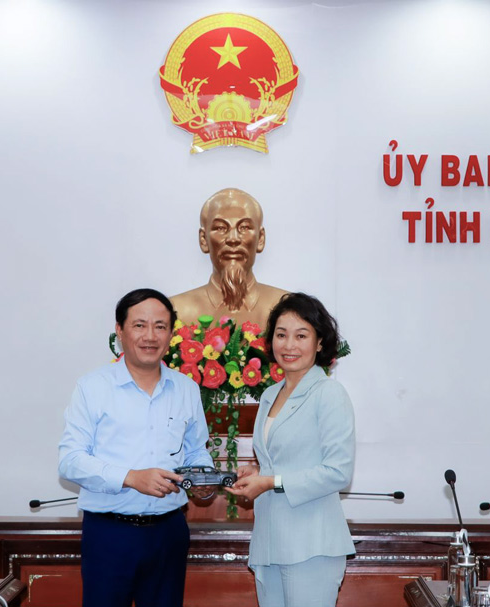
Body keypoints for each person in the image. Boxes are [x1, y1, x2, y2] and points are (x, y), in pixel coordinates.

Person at [58, 288, 214, 607]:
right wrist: (131, 477)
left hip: (169, 531)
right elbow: (70, 462)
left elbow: (197, 451)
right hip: (110, 533)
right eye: (139, 325)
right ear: (120, 330)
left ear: (171, 333)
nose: (150, 335)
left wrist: (204, 480)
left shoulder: (186, 389)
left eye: (160, 326)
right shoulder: (92, 387)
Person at [225, 292, 355, 607]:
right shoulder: (270, 394)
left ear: (320, 342)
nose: (289, 345)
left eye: (301, 335)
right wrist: (257, 473)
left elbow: (338, 472)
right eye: (281, 335)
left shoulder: (329, 393)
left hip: (312, 545)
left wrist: (270, 481)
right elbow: (282, 461)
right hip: (269, 542)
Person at [171, 188, 287, 328]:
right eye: (220, 228)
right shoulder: (176, 312)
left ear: (260, 239)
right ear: (203, 240)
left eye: (244, 227)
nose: (233, 239)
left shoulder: (288, 309)